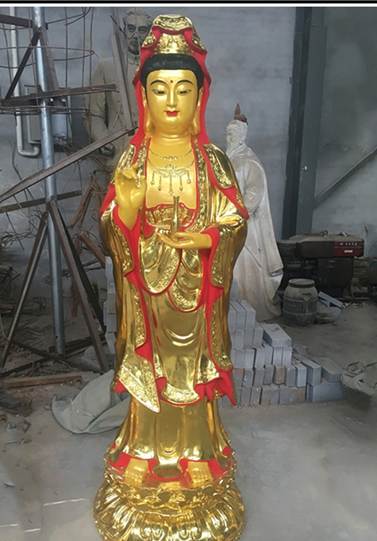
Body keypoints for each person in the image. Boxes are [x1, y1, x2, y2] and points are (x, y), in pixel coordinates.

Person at [99, 15, 249, 490]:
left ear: (199, 98)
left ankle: (198, 451)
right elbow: (111, 225)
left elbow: (235, 219)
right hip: (147, 290)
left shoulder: (212, 160)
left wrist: (206, 239)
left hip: (197, 291)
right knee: (150, 368)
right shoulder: (133, 158)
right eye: (159, 89)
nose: (170, 101)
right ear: (144, 98)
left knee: (192, 372)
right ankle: (143, 449)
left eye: (183, 90)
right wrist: (126, 208)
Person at [226, 107, 284, 320]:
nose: (227, 139)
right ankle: (233, 310)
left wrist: (234, 211)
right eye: (227, 135)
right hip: (228, 223)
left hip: (246, 226)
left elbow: (253, 195)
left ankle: (252, 308)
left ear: (241, 137)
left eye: (231, 135)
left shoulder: (249, 162)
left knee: (247, 267)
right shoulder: (228, 159)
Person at [84, 8, 153, 171]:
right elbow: (93, 114)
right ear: (124, 31)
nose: (135, 35)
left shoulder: (159, 70)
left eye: (142, 30)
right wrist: (103, 139)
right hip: (119, 155)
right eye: (131, 29)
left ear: (149, 34)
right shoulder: (107, 67)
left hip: (153, 157)